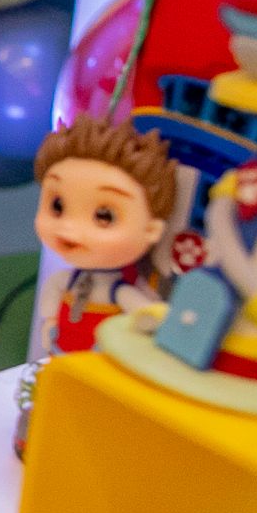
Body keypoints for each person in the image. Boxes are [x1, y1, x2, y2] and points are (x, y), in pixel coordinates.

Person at [32, 116, 177, 356]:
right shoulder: (66, 280)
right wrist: (50, 321)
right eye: (57, 206)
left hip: (100, 365)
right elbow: (51, 299)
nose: (69, 228)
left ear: (151, 230)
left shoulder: (120, 291)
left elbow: (147, 315)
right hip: (61, 355)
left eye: (104, 216)